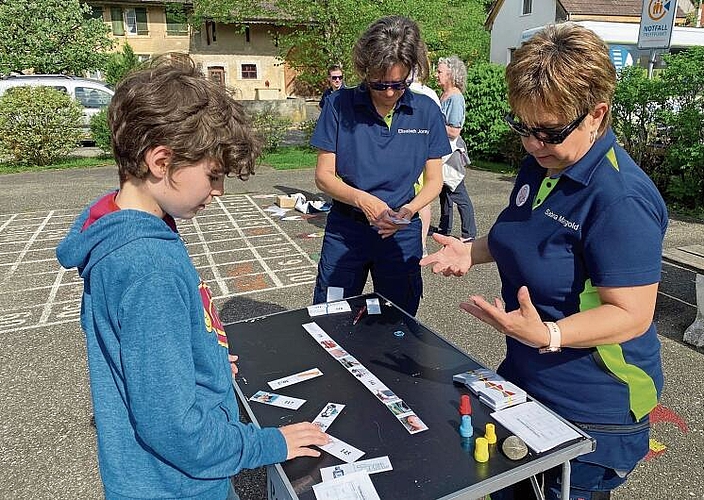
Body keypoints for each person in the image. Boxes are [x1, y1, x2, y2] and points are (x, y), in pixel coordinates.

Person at [56, 57, 328, 500]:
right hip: (176, 485)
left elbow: (145, 353)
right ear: (161, 161)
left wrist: (200, 360)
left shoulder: (122, 221)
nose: (219, 191)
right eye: (213, 175)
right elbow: (173, 427)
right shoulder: (149, 267)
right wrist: (269, 443)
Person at [421, 23, 667, 500]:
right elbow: (526, 232)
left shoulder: (621, 200)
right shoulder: (546, 161)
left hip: (594, 400)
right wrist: (472, 250)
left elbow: (632, 315)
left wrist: (548, 334)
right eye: (523, 127)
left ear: (597, 114)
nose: (532, 144)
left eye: (548, 131)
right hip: (527, 378)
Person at [310, 15, 450, 316]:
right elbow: (324, 176)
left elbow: (435, 181)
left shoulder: (426, 110)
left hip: (400, 230)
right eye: (379, 84)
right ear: (364, 70)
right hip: (348, 229)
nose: (389, 92)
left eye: (398, 84)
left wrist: (408, 211)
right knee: (331, 313)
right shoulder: (339, 104)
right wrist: (363, 201)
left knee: (398, 319)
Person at [435, 55, 477, 241]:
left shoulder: (456, 98)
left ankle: (469, 234)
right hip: (442, 151)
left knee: (458, 192)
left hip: (451, 153)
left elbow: (454, 131)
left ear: (451, 74)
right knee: (444, 192)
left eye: (440, 71)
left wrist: (432, 125)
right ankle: (445, 228)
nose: (436, 75)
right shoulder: (444, 95)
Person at [409, 68, 441, 256]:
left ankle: (419, 244)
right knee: (424, 201)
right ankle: (420, 245)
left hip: (419, 155)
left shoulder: (425, 96)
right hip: (422, 155)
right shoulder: (430, 94)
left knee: (421, 200)